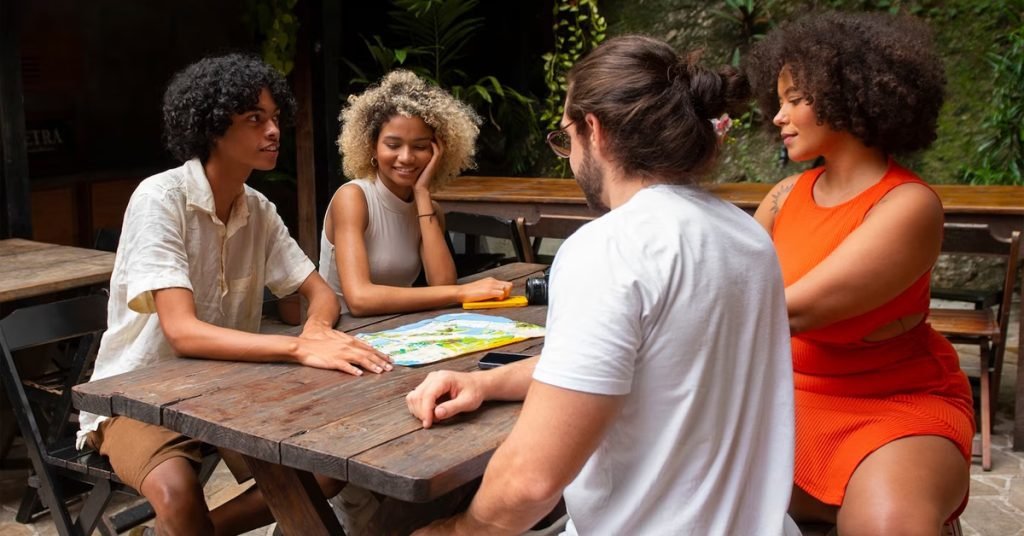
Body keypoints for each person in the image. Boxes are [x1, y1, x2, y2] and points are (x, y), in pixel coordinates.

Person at [405, 35, 799, 535]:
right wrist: (484, 382)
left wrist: (457, 531)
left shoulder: (610, 247)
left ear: (595, 130)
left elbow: (531, 479)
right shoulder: (745, 236)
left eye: (565, 136)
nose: (566, 155)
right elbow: (632, 363)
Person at [76, 53, 393, 536]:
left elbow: (320, 293)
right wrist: (298, 347)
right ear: (212, 128)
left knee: (328, 468)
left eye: (275, 118)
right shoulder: (160, 200)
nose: (273, 132)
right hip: (136, 395)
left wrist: (316, 329)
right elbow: (182, 332)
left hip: (229, 395)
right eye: (254, 120)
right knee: (180, 495)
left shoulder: (258, 209)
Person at [746, 11, 974, 534]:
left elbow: (785, 311)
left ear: (848, 95)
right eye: (777, 100)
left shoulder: (907, 205)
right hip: (785, 398)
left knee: (886, 522)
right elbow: (728, 283)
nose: (778, 116)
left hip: (892, 408)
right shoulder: (783, 197)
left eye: (794, 99)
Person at [320, 70, 512, 316]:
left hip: (395, 330)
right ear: (372, 147)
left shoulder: (429, 210)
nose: (406, 157)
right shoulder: (353, 198)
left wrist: (422, 194)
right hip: (341, 332)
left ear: (438, 150)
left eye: (420, 147)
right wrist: (461, 293)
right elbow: (359, 299)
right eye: (393, 145)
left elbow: (442, 285)